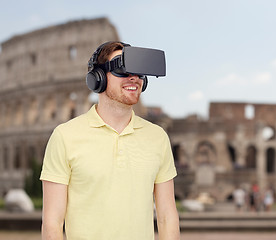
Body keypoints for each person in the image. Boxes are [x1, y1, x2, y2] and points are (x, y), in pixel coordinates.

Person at [40, 41, 180, 240]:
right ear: (98, 78)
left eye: (138, 72)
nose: (134, 77)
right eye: (122, 69)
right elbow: (52, 223)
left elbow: (167, 216)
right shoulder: (65, 136)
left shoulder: (157, 137)